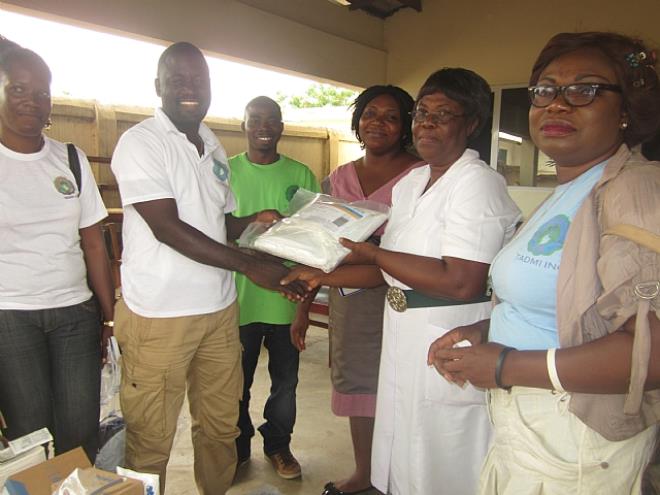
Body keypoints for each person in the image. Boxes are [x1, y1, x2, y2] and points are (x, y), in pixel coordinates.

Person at [428, 32, 660, 494]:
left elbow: (650, 352)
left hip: (577, 433)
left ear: (626, 111)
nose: (557, 104)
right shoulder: (570, 191)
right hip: (532, 424)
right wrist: (487, 331)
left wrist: (505, 366)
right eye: (546, 90)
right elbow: (565, 305)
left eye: (584, 90)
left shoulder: (634, 190)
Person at [283, 68, 521, 495]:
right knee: (405, 445)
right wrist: (323, 275)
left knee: (445, 453)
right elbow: (390, 270)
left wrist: (372, 252)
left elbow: (462, 281)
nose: (426, 124)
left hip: (447, 335)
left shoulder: (477, 184)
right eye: (422, 113)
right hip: (403, 333)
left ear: (471, 123)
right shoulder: (413, 182)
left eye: (442, 115)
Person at [110, 42, 304, 495]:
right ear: (158, 86)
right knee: (150, 437)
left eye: (198, 79)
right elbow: (167, 228)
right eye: (177, 79)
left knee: (220, 428)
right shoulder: (141, 142)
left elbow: (218, 222)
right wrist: (249, 266)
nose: (189, 88)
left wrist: (254, 226)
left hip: (218, 311)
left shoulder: (212, 143)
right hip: (159, 316)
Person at [291, 85, 420, 495]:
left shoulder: (421, 177)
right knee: (359, 388)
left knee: (404, 388)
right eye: (370, 114)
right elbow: (315, 249)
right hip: (348, 302)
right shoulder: (338, 179)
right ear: (357, 121)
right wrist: (302, 309)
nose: (378, 123)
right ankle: (366, 474)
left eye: (391, 116)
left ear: (405, 127)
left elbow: (413, 254)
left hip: (404, 301)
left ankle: (400, 478)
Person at [0, 46, 115, 461]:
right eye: (18, 89)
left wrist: (108, 316)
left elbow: (94, 244)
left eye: (42, 92)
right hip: (10, 317)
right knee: (31, 435)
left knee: (80, 431)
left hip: (74, 314)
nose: (32, 100)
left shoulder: (70, 158)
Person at [229, 96, 320, 479]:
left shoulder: (301, 175)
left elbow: (315, 247)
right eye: (255, 119)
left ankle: (278, 446)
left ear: (281, 126)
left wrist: (304, 311)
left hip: (287, 300)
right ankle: (237, 450)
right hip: (237, 302)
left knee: (285, 385)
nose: (263, 126)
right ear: (244, 125)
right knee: (236, 385)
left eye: (271, 120)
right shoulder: (225, 172)